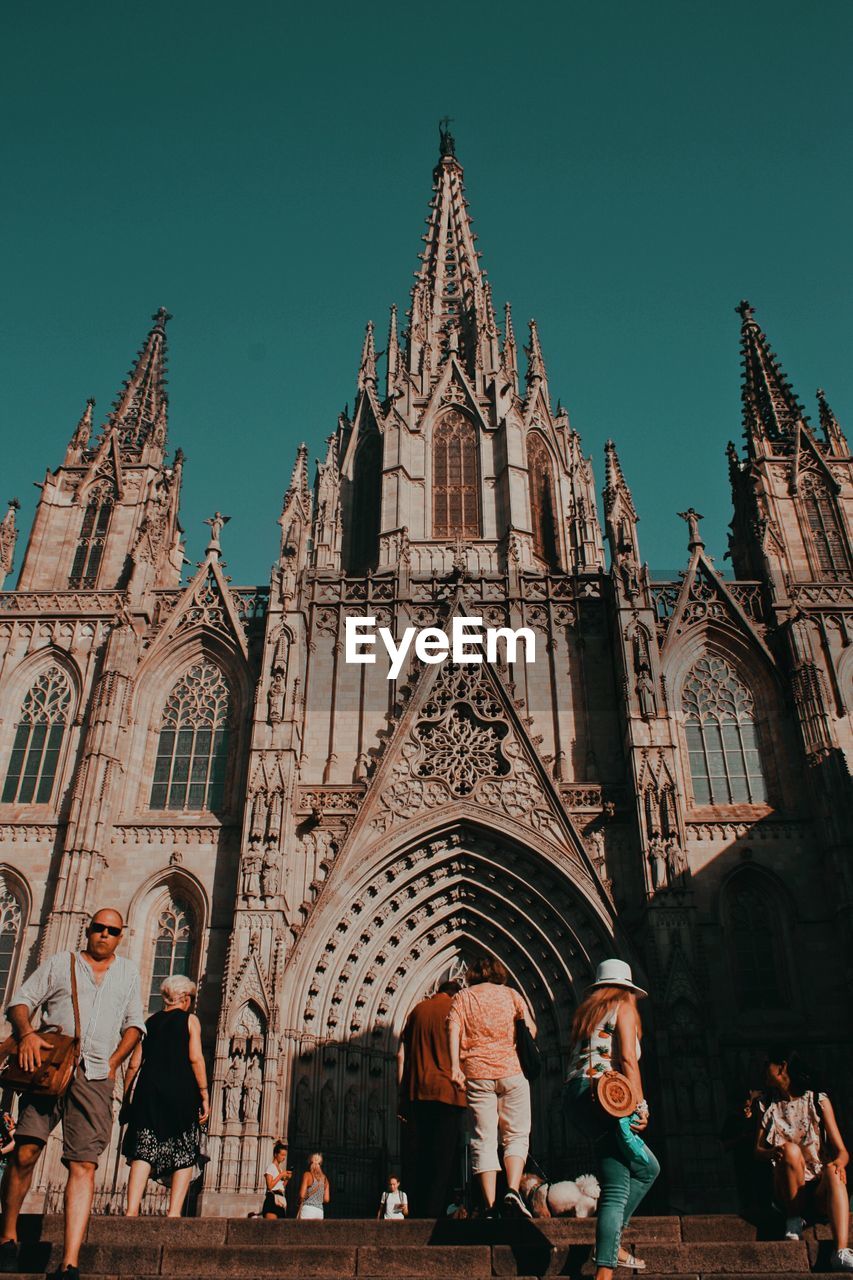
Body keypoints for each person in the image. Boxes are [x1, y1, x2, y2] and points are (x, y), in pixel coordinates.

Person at [0, 908, 145, 1280]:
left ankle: (70, 1263)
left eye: (112, 931)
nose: (104, 935)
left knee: (84, 1165)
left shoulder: (128, 973)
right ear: (88, 930)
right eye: (98, 928)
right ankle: (7, 1237)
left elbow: (134, 1024)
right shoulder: (59, 963)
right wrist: (28, 1034)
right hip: (49, 1069)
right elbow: (19, 1002)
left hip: (96, 1075)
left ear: (120, 936)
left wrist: (113, 1062)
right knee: (27, 1150)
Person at [563, 958, 660, 1280]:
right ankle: (604, 1270)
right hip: (606, 1098)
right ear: (627, 989)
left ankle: (611, 1243)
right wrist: (640, 1107)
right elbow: (629, 1060)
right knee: (619, 1186)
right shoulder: (624, 1006)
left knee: (644, 1168)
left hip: (577, 1096)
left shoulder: (586, 1014)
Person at [447, 956, 536, 1219]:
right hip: (512, 1071)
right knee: (516, 1135)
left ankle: (489, 1205)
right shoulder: (512, 995)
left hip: (477, 1074)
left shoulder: (462, 998)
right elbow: (531, 1029)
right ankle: (511, 1191)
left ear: (472, 974)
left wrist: (454, 1066)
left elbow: (452, 1030)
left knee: (483, 1139)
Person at [121, 974, 210, 1217]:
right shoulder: (190, 1021)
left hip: (148, 1091)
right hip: (181, 1091)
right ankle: (173, 1213)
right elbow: (195, 1058)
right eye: (190, 997)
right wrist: (204, 1093)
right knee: (184, 1150)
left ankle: (131, 1210)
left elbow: (134, 1063)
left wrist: (127, 1096)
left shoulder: (149, 1022)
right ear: (183, 998)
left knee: (143, 1149)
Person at [755, 1048, 851, 1270]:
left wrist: (839, 1164)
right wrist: (772, 1153)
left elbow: (842, 1151)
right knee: (791, 1150)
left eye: (767, 1064)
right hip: (787, 1186)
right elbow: (757, 1150)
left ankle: (841, 1251)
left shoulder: (817, 1100)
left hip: (817, 1188)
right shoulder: (766, 1103)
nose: (763, 1070)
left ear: (782, 1067)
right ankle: (793, 1217)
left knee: (833, 1170)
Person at [397, 979, 466, 1217]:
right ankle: (435, 1215)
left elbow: (402, 1054)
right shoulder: (456, 1009)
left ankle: (415, 1213)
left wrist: (402, 1095)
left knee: (419, 1155)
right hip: (449, 1092)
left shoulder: (417, 1010)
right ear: (456, 995)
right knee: (443, 1159)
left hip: (417, 1092)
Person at [262, 1140, 292, 1218]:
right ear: (276, 1154)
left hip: (280, 1198)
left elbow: (281, 1186)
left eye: (285, 1155)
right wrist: (281, 1175)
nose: (284, 1157)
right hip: (272, 1198)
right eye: (282, 1155)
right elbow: (270, 1186)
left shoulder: (280, 1169)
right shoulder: (270, 1167)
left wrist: (287, 1179)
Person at [296, 1151, 330, 1219]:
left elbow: (302, 1195)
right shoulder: (325, 1179)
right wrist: (317, 1200)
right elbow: (326, 1199)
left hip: (308, 1209)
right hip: (319, 1211)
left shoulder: (307, 1175)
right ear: (320, 1164)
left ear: (309, 1162)